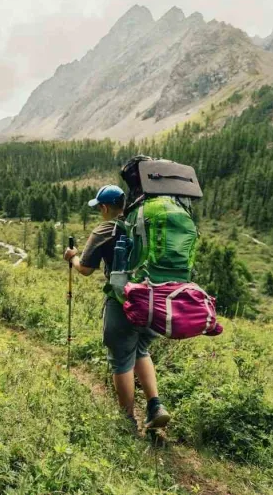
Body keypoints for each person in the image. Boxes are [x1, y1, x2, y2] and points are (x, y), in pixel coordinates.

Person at [63, 184, 170, 432]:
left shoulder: (105, 229)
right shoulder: (142, 225)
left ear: (104, 207)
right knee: (141, 350)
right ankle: (155, 406)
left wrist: (73, 257)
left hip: (123, 303)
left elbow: (86, 270)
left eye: (99, 207)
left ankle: (127, 421)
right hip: (153, 301)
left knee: (121, 360)